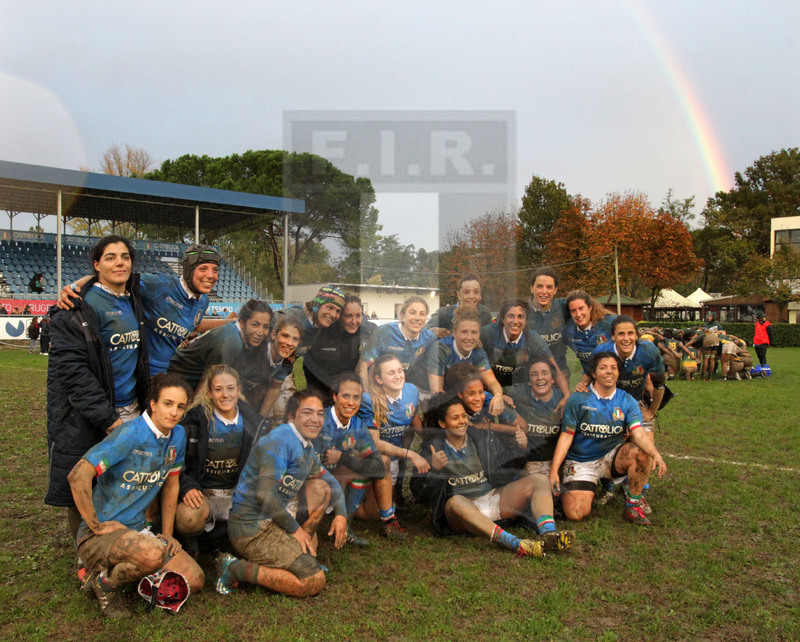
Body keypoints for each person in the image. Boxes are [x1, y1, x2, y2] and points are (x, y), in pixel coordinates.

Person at [45, 236, 150, 567]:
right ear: (96, 265)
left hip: (130, 408)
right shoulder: (75, 307)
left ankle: (123, 546)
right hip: (88, 416)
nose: (119, 262)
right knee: (84, 485)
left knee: (125, 482)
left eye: (124, 257)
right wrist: (108, 420)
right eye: (110, 257)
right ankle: (87, 562)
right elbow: (74, 375)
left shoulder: (133, 298)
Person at [67, 373, 204, 618]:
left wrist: (168, 533)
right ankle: (105, 583)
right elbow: (78, 475)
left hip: (138, 532)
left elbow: (172, 485)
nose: (174, 412)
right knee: (153, 554)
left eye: (180, 407)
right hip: (102, 534)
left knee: (194, 580)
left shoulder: (178, 435)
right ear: (153, 404)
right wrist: (95, 526)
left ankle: (127, 570)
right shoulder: (130, 434)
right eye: (167, 404)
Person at [217, 390, 348, 598]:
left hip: (274, 521)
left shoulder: (305, 445)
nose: (315, 419)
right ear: (291, 416)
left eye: (320, 414)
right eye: (307, 413)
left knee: (322, 488)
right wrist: (296, 530)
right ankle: (233, 568)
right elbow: (266, 496)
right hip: (251, 529)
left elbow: (331, 482)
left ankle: (302, 557)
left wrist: (341, 514)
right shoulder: (279, 441)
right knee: (312, 581)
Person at [411, 396, 573, 557]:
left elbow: (504, 470)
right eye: (455, 418)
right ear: (442, 423)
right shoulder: (432, 449)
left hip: (492, 498)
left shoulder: (482, 437)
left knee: (540, 480)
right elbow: (420, 493)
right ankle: (516, 544)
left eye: (464, 416)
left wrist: (520, 449)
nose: (462, 421)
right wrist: (433, 469)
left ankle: (550, 534)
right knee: (455, 501)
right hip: (463, 512)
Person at [59, 244, 221, 376]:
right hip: (138, 373)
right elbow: (112, 278)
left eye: (215, 270)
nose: (211, 275)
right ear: (188, 270)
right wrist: (74, 287)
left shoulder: (203, 302)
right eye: (203, 268)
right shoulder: (158, 285)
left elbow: (196, 325)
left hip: (165, 374)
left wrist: (233, 322)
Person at [549, 353, 667, 526]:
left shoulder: (627, 400)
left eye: (613, 368)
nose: (609, 372)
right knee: (575, 513)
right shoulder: (578, 399)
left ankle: (633, 504)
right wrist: (554, 470)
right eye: (603, 368)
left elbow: (639, 433)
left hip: (611, 457)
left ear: (618, 372)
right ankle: (588, 485)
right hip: (581, 462)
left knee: (642, 453)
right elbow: (566, 436)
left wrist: (655, 454)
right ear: (594, 374)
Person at [176, 365, 271, 555]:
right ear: (209, 392)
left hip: (237, 495)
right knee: (187, 517)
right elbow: (175, 463)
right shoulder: (194, 421)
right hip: (204, 496)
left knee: (271, 516)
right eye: (218, 389)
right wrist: (188, 486)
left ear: (239, 390)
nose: (225, 394)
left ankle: (228, 543)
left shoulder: (256, 424)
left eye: (230, 388)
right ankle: (193, 547)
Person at [357, 354, 430, 540]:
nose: (398, 376)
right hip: (366, 457)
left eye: (400, 370)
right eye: (391, 373)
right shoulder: (368, 400)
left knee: (378, 511)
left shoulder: (411, 390)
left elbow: (413, 416)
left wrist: (427, 439)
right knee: (383, 462)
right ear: (379, 379)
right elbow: (375, 443)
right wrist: (411, 455)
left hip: (394, 458)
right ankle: (339, 505)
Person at [313, 373, 385, 547]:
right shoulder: (319, 420)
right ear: (335, 396)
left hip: (334, 478)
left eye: (356, 397)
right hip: (310, 480)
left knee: (365, 470)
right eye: (345, 396)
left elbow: (379, 467)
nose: (351, 403)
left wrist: (342, 458)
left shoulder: (358, 425)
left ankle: (345, 526)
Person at [504, 360, 569, 537]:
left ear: (553, 379)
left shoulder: (563, 400)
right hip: (529, 464)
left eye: (545, 373)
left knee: (566, 504)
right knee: (531, 498)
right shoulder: (518, 392)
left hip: (554, 464)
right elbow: (491, 385)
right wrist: (499, 394)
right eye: (534, 374)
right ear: (528, 381)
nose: (540, 378)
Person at [480, 298, 571, 409]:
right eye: (511, 316)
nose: (516, 321)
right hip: (488, 383)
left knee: (517, 417)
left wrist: (566, 396)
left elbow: (555, 369)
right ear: (502, 319)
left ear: (526, 321)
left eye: (521, 316)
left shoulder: (534, 341)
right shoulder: (487, 333)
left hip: (516, 385)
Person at [167, 299, 273, 389]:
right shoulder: (232, 344)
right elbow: (210, 387)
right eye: (255, 325)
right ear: (242, 323)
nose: (260, 332)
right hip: (176, 383)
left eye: (265, 327)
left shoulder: (235, 331)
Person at [427, 308, 506, 417]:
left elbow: (492, 382)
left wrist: (498, 396)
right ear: (454, 333)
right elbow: (437, 392)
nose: (469, 338)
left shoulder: (478, 352)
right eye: (464, 332)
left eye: (474, 332)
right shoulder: (441, 349)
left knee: (504, 408)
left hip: (463, 394)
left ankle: (516, 431)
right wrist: (461, 412)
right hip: (437, 395)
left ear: (479, 334)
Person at [359, 295, 437, 395]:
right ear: (402, 316)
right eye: (412, 313)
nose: (418, 318)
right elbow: (363, 365)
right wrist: (367, 394)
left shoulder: (430, 338)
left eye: (422, 314)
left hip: (401, 386)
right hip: (377, 385)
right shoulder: (384, 332)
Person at [303, 294, 376, 401]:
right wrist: (333, 387)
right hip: (324, 392)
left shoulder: (369, 332)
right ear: (339, 315)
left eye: (358, 315)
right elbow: (309, 367)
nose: (354, 321)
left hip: (354, 393)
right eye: (348, 316)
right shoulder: (322, 332)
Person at [236, 315, 303, 417]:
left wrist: (260, 418)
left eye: (295, 339)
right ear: (273, 335)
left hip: (258, 388)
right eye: (285, 336)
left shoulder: (290, 359)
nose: (290, 343)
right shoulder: (254, 349)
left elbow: (275, 387)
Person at [527, 268, 571, 383]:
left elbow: (589, 307)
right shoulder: (520, 310)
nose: (544, 291)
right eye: (539, 286)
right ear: (531, 288)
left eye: (549, 287)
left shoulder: (564, 307)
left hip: (559, 371)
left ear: (555, 290)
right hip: (531, 373)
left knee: (563, 400)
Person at [562, 290, 616, 374]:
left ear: (590, 307)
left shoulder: (608, 323)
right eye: (573, 310)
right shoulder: (568, 331)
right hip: (589, 375)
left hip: (612, 374)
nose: (578, 314)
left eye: (581, 308)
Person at [426, 274, 494, 338]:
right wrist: (431, 332)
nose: (471, 296)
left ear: (480, 295)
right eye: (466, 292)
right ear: (459, 295)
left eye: (476, 292)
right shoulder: (443, 313)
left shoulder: (484, 313)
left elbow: (491, 337)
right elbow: (423, 333)